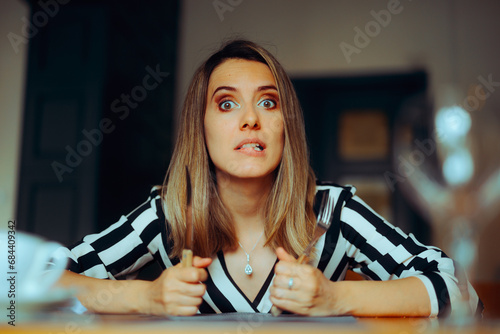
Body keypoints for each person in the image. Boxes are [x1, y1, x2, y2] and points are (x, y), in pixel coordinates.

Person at [58, 39, 482, 318]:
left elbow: (463, 292)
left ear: (286, 126)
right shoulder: (166, 214)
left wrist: (337, 298)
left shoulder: (334, 210)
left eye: (267, 102)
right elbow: (30, 282)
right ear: (199, 128)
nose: (249, 120)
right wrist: (145, 297)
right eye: (226, 105)